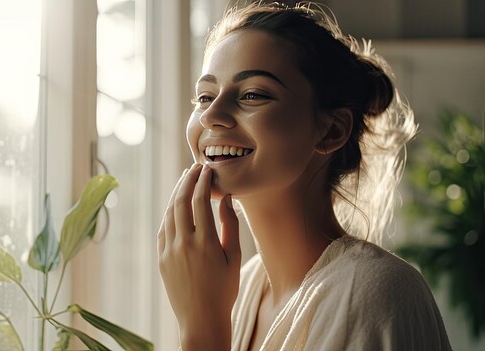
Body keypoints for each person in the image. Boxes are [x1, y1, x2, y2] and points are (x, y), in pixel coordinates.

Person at [156, 1, 452, 350]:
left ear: (330, 131)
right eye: (205, 97)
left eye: (253, 94)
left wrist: (201, 330)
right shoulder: (238, 285)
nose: (210, 116)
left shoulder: (375, 293)